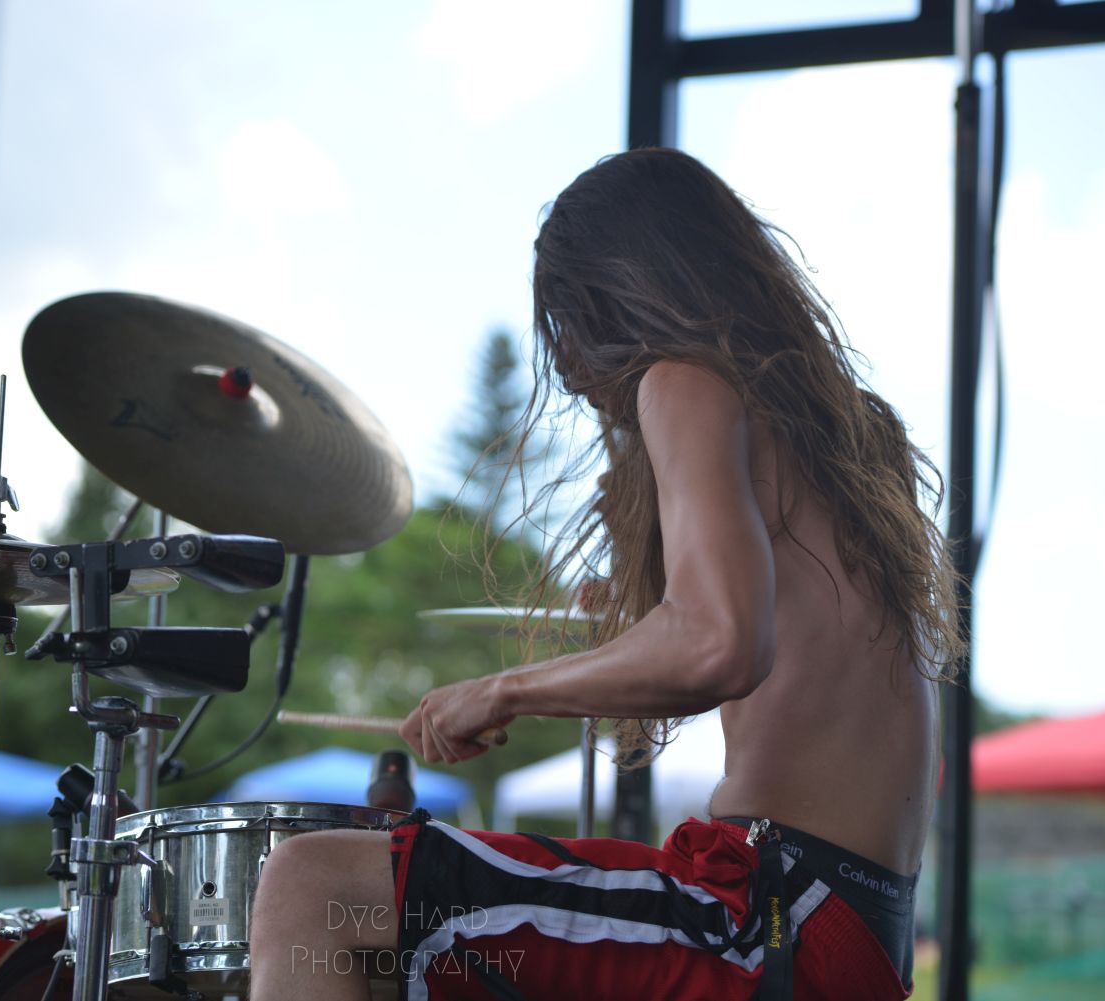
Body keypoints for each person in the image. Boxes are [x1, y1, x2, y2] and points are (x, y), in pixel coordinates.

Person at [248, 148, 962, 1000]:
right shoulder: (843, 433)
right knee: (403, 947)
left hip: (772, 920)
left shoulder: (685, 381)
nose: (571, 368)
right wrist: (641, 626)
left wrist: (503, 690)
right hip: (847, 928)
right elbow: (765, 665)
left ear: (613, 294)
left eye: (567, 318)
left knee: (309, 885)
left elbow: (719, 642)